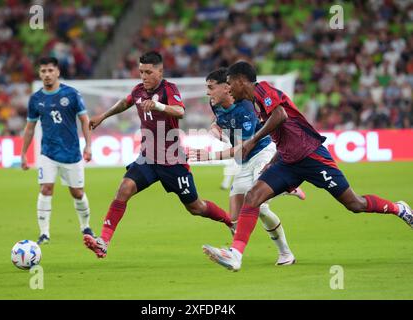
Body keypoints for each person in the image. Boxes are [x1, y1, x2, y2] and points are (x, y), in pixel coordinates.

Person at [202, 61, 413, 271]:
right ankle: (235, 255)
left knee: (355, 204)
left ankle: (399, 208)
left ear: (241, 81)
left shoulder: (263, 90)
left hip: (312, 156)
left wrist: (252, 140)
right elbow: (283, 134)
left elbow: (281, 115)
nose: (228, 88)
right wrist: (274, 161)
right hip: (287, 161)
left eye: (230, 83)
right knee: (253, 196)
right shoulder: (253, 104)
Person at [83, 51, 234, 259]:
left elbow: (180, 111)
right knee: (124, 189)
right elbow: (125, 102)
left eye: (148, 72)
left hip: (172, 161)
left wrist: (158, 105)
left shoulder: (168, 89)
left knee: (196, 207)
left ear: (160, 72)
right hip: (147, 158)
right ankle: (104, 242)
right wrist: (104, 115)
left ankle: (229, 221)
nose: (143, 76)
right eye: (141, 72)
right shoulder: (138, 90)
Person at [191, 68, 307, 265]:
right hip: (245, 164)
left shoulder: (245, 108)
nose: (207, 92)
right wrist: (215, 128)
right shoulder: (215, 104)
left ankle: (286, 186)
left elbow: (242, 148)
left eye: (211, 87)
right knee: (237, 219)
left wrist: (209, 156)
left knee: (257, 201)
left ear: (226, 88)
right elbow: (219, 120)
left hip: (263, 154)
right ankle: (286, 255)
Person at [21, 57, 94, 245]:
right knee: (46, 189)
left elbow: (85, 121)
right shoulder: (36, 99)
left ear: (57, 72)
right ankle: (44, 233)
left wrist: (88, 145)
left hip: (71, 153)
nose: (46, 74)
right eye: (43, 71)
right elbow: (30, 127)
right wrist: (23, 153)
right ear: (39, 74)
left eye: (50, 71)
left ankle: (85, 226)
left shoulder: (72, 94)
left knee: (77, 193)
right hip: (48, 153)